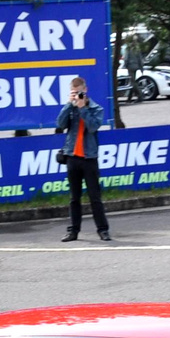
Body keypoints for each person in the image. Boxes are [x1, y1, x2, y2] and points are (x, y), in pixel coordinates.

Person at [56, 77, 109, 242]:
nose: (77, 94)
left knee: (95, 197)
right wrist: (68, 105)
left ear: (85, 90)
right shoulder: (70, 108)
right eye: (74, 92)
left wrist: (83, 108)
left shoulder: (95, 108)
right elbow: (60, 124)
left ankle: (103, 230)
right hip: (72, 157)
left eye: (79, 91)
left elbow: (93, 126)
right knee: (74, 197)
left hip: (89, 158)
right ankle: (73, 231)